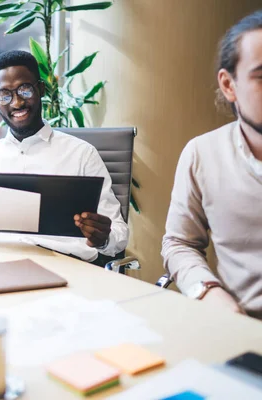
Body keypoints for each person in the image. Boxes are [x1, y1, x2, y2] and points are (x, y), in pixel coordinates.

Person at [0, 50, 128, 264]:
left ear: (40, 89)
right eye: (5, 94)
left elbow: (118, 232)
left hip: (62, 265)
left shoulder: (81, 154)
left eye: (24, 89)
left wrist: (103, 237)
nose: (16, 103)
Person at [162, 10, 262, 319]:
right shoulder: (202, 154)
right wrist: (206, 290)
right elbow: (179, 243)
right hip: (244, 332)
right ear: (229, 85)